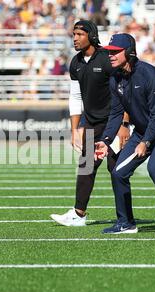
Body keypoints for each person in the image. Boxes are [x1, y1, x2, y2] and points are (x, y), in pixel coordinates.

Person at [95, 33, 155, 236]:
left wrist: (146, 142)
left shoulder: (150, 75)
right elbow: (116, 113)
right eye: (109, 52)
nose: (110, 56)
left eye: (115, 52)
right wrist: (105, 140)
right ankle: (126, 222)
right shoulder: (115, 78)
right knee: (118, 172)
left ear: (129, 52)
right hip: (142, 131)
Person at [50, 20, 130, 227]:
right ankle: (79, 214)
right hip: (92, 123)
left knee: (117, 170)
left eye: (79, 34)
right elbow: (75, 97)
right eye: (73, 34)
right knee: (86, 167)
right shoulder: (75, 63)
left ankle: (126, 219)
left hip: (113, 122)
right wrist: (75, 129)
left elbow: (124, 90)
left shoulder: (106, 58)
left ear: (91, 35)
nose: (75, 38)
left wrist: (124, 124)